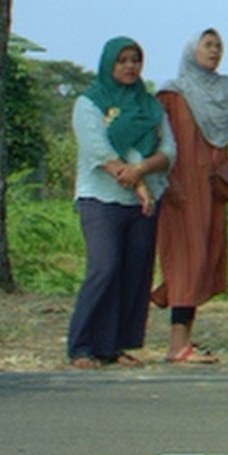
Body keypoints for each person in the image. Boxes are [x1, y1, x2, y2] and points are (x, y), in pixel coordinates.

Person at [151, 29, 228, 364]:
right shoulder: (173, 93)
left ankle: (184, 339)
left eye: (219, 45)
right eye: (208, 45)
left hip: (214, 185)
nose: (215, 51)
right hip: (181, 185)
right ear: (192, 50)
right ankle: (177, 345)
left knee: (205, 257)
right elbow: (159, 138)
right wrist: (165, 180)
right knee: (185, 258)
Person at [67, 37, 176, 369]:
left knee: (135, 271)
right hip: (101, 198)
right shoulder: (90, 103)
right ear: (108, 64)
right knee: (105, 267)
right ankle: (82, 346)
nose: (130, 67)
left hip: (143, 202)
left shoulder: (150, 106)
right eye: (122, 61)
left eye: (135, 60)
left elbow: (169, 151)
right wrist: (137, 180)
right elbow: (100, 151)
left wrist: (142, 172)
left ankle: (115, 345)